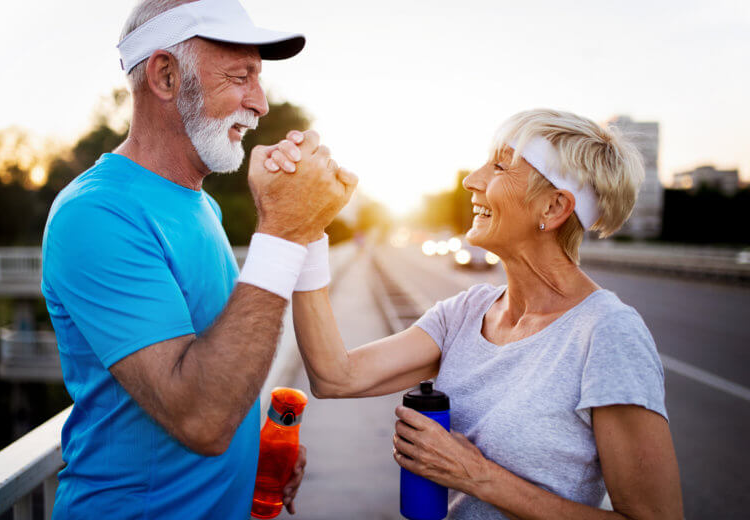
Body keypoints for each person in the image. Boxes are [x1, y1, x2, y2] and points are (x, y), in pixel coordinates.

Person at [265, 109, 684, 518]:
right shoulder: (466, 312)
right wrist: (308, 228)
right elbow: (335, 376)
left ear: (553, 208)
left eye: (500, 167)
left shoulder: (608, 333)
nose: (471, 180)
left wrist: (478, 477)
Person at [41, 0, 356, 518]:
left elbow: (212, 361)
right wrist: (283, 229)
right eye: (241, 76)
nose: (260, 103)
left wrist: (250, 452)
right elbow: (202, 421)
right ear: (165, 76)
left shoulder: (201, 204)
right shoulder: (96, 214)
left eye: (259, 78)